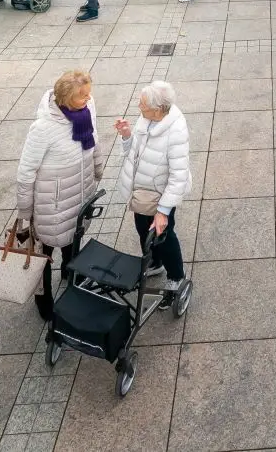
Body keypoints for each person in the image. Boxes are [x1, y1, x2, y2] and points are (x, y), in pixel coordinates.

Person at [16, 70, 107, 324]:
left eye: (89, 92)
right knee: (43, 253)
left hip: (79, 193)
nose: (89, 98)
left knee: (73, 238)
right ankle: (43, 301)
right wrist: (25, 212)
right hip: (51, 203)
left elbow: (94, 140)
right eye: (83, 95)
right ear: (66, 99)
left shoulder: (87, 109)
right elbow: (26, 172)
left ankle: (70, 273)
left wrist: (98, 169)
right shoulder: (43, 128)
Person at [115, 81, 191, 301]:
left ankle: (176, 277)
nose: (139, 106)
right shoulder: (147, 118)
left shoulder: (175, 132)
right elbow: (136, 151)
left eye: (143, 104)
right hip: (143, 194)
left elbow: (179, 175)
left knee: (163, 236)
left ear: (157, 109)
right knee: (142, 228)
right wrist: (127, 136)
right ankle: (155, 263)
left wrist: (163, 212)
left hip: (159, 195)